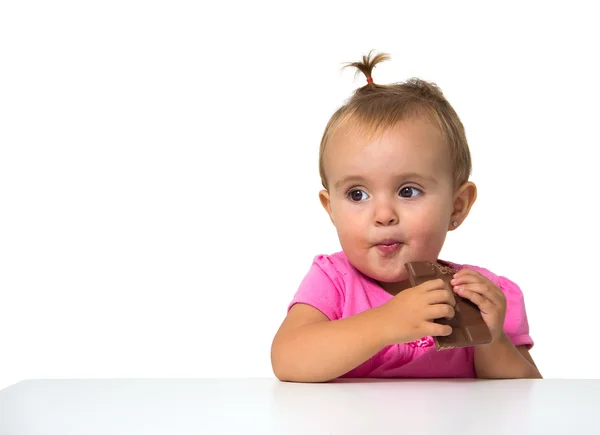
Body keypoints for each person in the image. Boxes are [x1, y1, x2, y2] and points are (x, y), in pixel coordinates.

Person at [270, 51, 542, 382]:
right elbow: (288, 359)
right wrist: (386, 323)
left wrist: (492, 339)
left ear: (457, 206)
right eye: (358, 194)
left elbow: (526, 395)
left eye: (408, 191)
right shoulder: (334, 282)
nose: (383, 215)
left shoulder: (482, 294)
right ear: (331, 210)